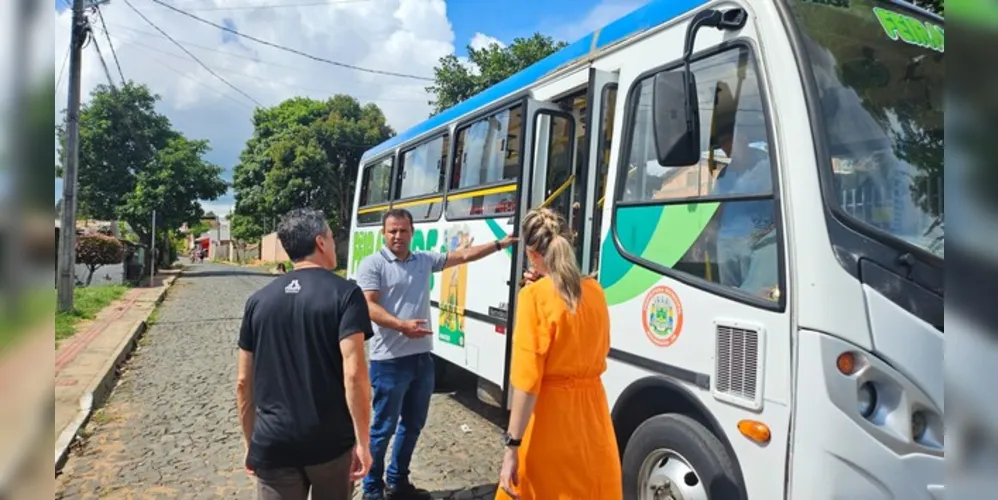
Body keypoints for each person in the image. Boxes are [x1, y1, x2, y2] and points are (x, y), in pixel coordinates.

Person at [356, 208, 517, 500]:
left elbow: (464, 256)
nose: (398, 236)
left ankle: (398, 481)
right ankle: (371, 489)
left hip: (421, 361)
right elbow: (367, 305)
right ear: (384, 233)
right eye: (392, 230)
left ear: (412, 232)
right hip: (388, 362)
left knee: (413, 425)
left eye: (403, 230)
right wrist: (400, 325)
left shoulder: (423, 260)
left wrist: (499, 244)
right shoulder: (374, 264)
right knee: (382, 430)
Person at [237, 208, 374, 500]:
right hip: (330, 443)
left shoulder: (257, 301)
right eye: (331, 236)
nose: (334, 243)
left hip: (273, 443)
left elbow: (242, 382)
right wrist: (363, 442)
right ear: (320, 242)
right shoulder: (346, 294)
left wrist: (252, 444)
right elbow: (354, 374)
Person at [496, 208, 621, 500]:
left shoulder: (533, 298)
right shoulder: (595, 290)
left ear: (531, 254)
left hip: (550, 423)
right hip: (594, 419)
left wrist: (511, 445)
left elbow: (526, 383)